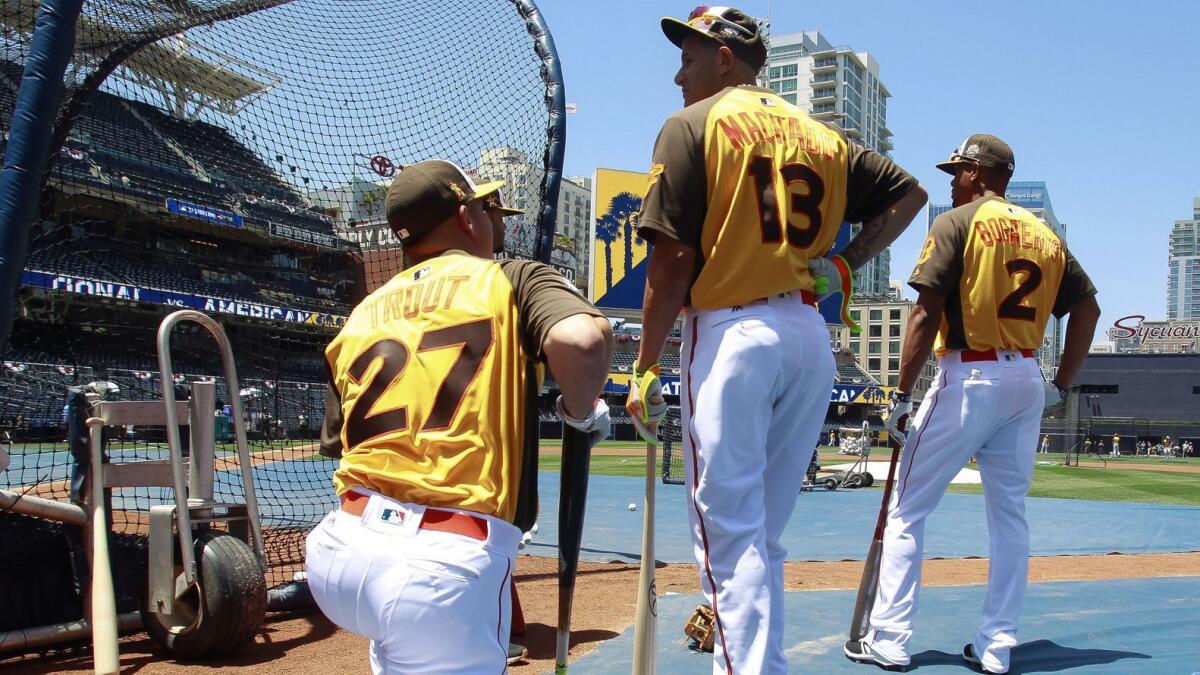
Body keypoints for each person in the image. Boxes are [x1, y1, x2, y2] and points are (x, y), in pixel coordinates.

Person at [627, 8, 926, 672]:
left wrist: (645, 366)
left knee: (730, 537)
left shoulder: (691, 125)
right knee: (760, 532)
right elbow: (908, 193)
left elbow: (671, 263)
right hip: (807, 337)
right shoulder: (823, 135)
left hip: (731, 331)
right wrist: (847, 261)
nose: (679, 73)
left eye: (690, 56)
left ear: (727, 58)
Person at [305, 160, 613, 674]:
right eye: (488, 212)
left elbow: (342, 445)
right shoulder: (509, 277)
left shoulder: (364, 311)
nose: (499, 223)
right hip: (442, 561)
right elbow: (582, 342)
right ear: (467, 218)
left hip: (341, 551)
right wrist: (580, 412)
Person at [850, 134, 1100, 674]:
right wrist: (1062, 382)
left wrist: (899, 395)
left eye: (957, 170)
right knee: (1009, 517)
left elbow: (924, 311)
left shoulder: (956, 223)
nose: (951, 179)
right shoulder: (1045, 235)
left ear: (980, 173)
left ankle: (889, 638)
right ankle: (997, 646)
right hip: (1027, 380)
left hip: (969, 376)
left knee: (907, 510)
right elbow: (1088, 311)